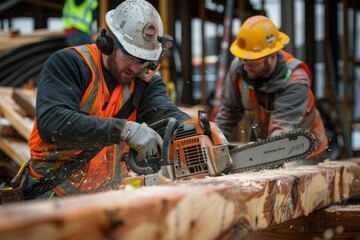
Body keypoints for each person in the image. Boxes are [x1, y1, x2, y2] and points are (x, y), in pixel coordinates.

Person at [26, 0, 191, 199]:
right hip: (54, 191)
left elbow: (166, 114)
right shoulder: (70, 64)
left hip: (106, 195)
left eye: (143, 61)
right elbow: (52, 123)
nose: (136, 68)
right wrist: (124, 130)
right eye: (130, 57)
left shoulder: (144, 83)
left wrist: (193, 129)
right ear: (109, 43)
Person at [215, 15, 328, 160]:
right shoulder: (239, 68)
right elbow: (227, 114)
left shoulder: (295, 79)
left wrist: (269, 156)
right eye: (243, 59)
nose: (246, 66)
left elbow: (281, 130)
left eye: (253, 62)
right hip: (272, 144)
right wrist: (216, 146)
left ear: (272, 55)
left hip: (305, 151)